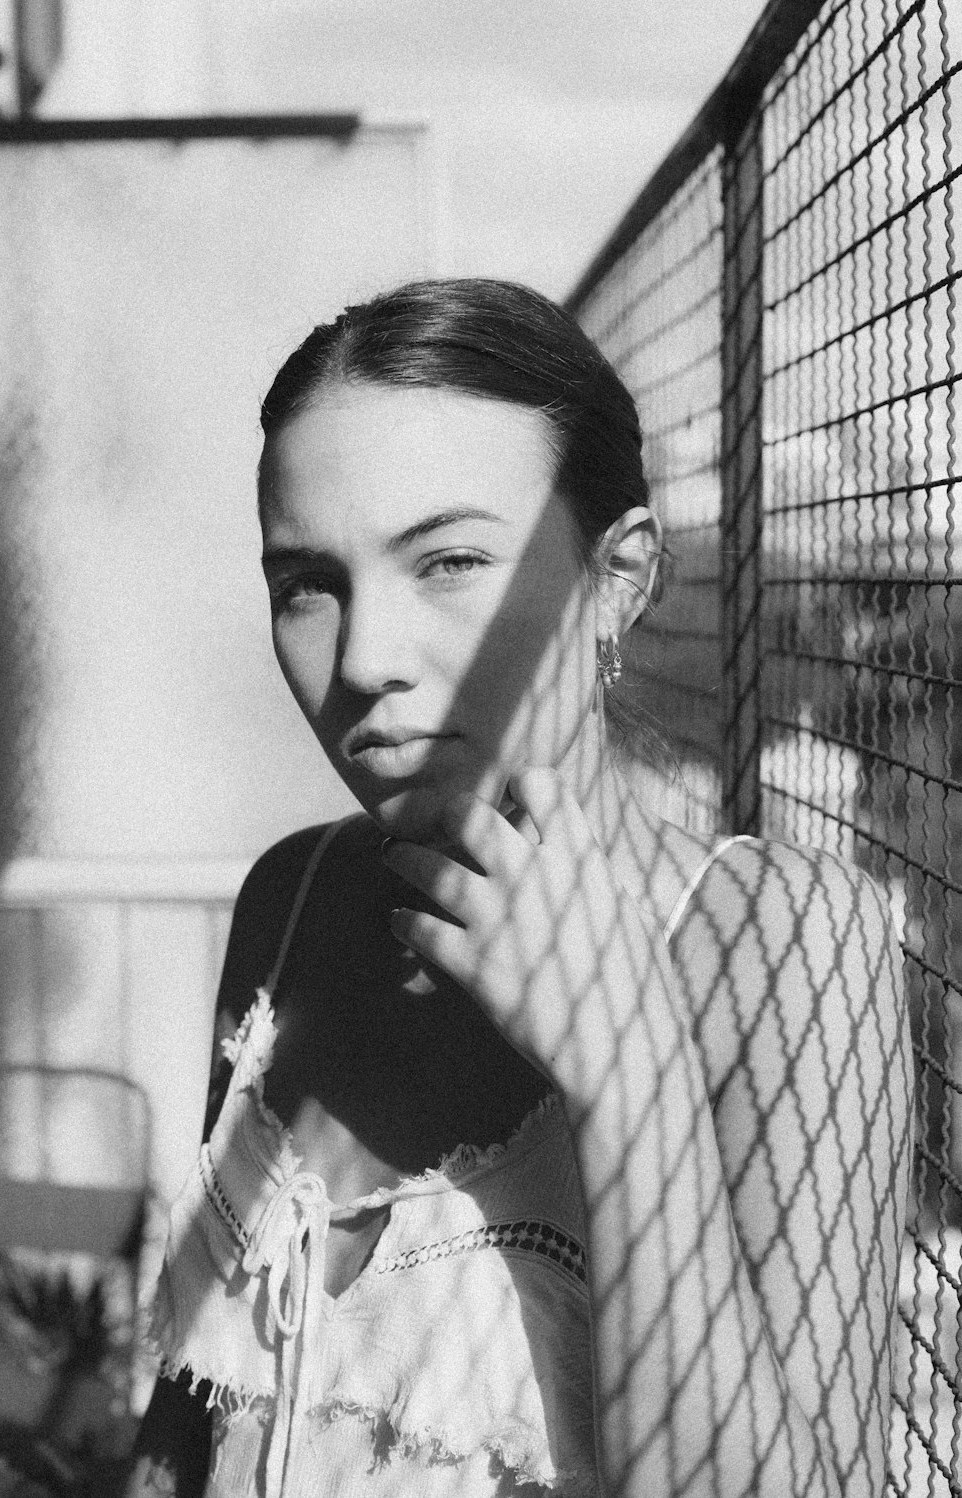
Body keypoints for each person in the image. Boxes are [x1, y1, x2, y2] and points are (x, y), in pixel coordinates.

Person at [126, 279, 912, 1498]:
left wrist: (629, 1060)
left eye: (447, 560)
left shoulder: (780, 940)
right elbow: (188, 1422)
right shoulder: (289, 901)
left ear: (620, 578)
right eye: (307, 582)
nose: (367, 660)